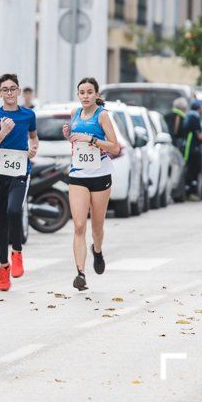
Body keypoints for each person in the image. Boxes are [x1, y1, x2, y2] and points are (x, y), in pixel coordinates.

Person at [62, 78, 120, 291]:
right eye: (81, 92)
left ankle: (97, 250)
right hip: (78, 173)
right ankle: (80, 273)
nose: (85, 96)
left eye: (89, 92)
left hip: (100, 174)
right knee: (78, 225)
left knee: (97, 226)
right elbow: (76, 142)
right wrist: (69, 136)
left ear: (96, 94)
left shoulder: (102, 115)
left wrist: (93, 140)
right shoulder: (75, 113)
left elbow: (115, 147)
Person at [0, 74, 38, 291]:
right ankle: (4, 268)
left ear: (18, 91)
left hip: (21, 170)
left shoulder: (28, 115)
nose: (9, 93)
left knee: (15, 211)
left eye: (12, 88)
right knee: (1, 219)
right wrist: (3, 133)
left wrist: (34, 148)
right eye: (5, 89)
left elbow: (33, 137)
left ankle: (17, 252)